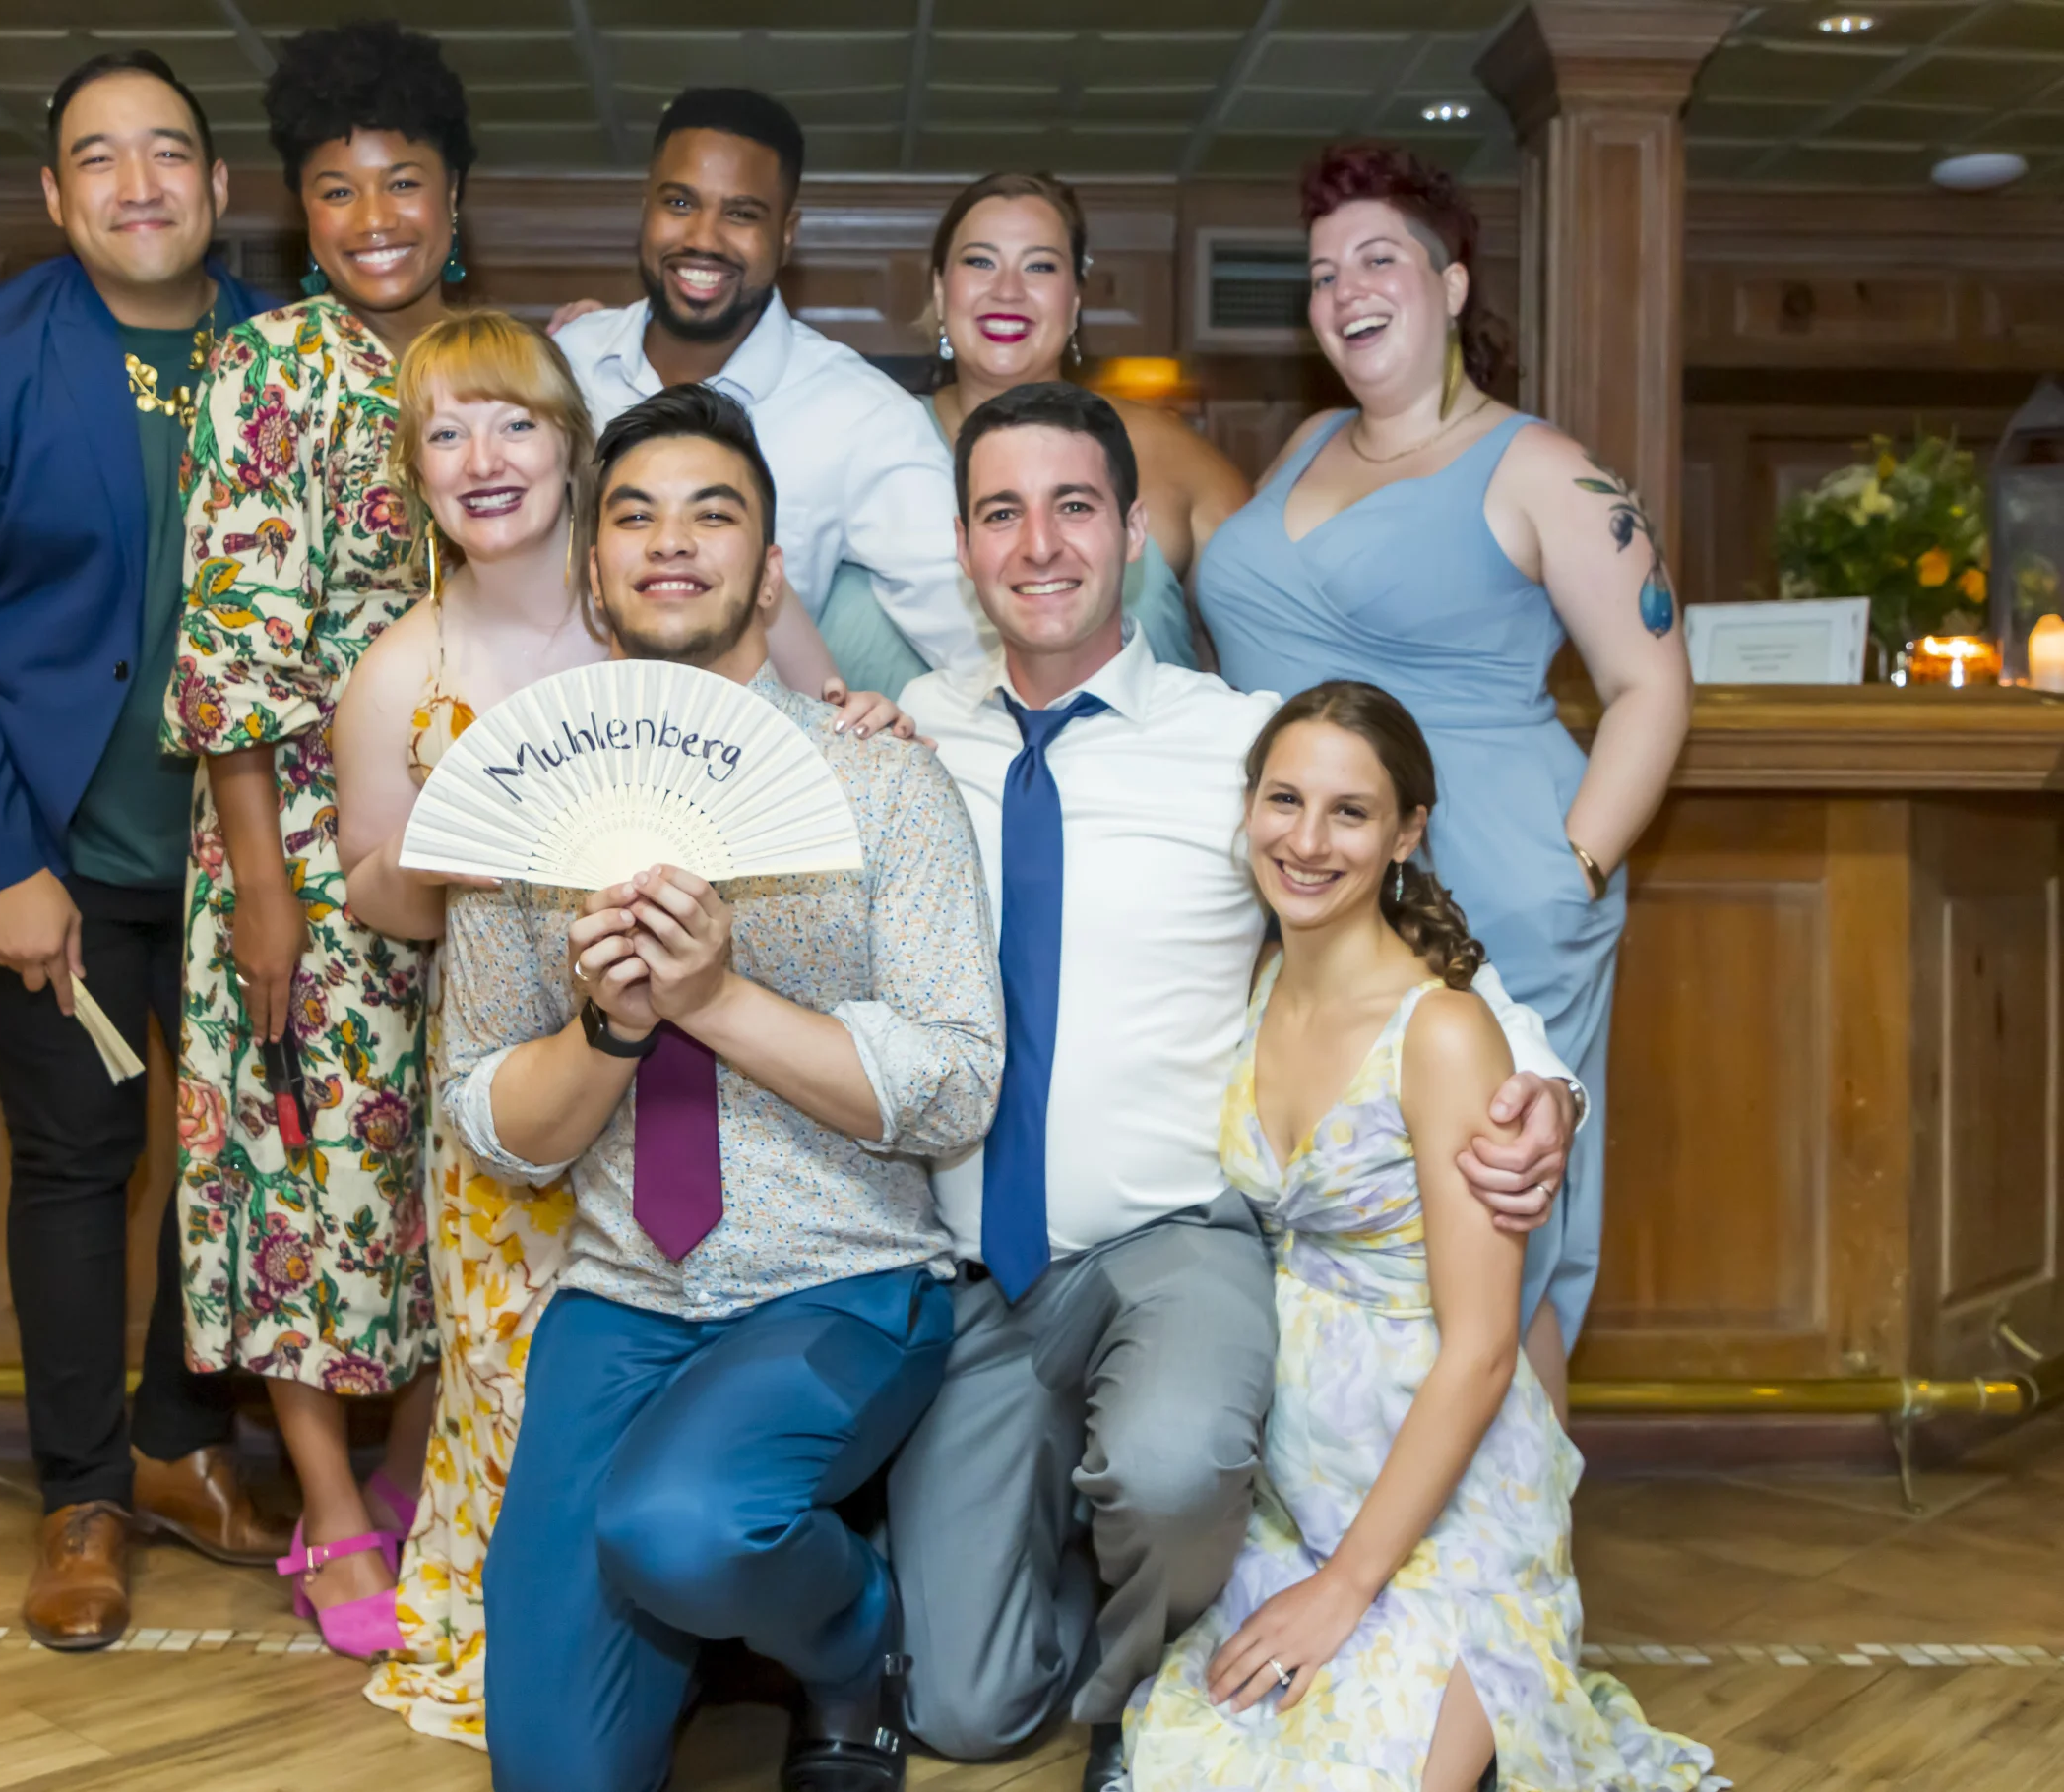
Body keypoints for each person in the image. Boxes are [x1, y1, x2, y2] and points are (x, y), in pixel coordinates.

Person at [888, 384, 1580, 1792]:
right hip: (967, 1260)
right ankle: (1084, 1633)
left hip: (1167, 1242)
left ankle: (1154, 1686)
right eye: (1002, 512)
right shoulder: (907, 735)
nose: (1040, 544)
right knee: (961, 1709)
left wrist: (1545, 1081)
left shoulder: (1238, 745)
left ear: (1133, 531)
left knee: (1176, 1461)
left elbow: (1410, 926)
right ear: (962, 545)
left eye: (1075, 505)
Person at [331, 310, 920, 1743]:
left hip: (758, 1130)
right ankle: (574, 1643)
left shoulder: (683, 600)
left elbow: (815, 737)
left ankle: (759, 1628)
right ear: (411, 470)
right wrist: (503, 872)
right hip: (529, 1059)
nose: (484, 457)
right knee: (523, 1407)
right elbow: (367, 881)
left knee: (695, 1448)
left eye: (516, 422)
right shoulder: (400, 668)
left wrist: (877, 730)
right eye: (446, 431)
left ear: (570, 455)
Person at [437, 385, 1002, 1792]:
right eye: (633, 514)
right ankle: (720, 1630)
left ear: (770, 569)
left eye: (715, 514)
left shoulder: (879, 782)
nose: (671, 541)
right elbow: (487, 1115)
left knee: (687, 1526)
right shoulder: (525, 797)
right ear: (593, 569)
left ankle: (852, 1637)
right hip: (622, 1294)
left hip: (844, 1281)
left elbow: (957, 1082)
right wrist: (612, 1033)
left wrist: (717, 1000)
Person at [0, 48, 286, 1653]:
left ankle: (181, 1443)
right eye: (98, 159)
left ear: (219, 187)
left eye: (169, 152)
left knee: (244, 1147)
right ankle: (81, 1493)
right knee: (78, 1163)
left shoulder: (285, 352)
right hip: (52, 842)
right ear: (56, 198)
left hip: (247, 851)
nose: (138, 183)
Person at [1123, 682, 1722, 1792]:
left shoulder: (1442, 1032)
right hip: (1296, 1488)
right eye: (1283, 800)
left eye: (1349, 813)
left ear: (1407, 832)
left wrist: (1349, 1584)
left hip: (1445, 1505)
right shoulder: (1254, 983)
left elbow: (1483, 1348)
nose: (1305, 841)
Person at [1195, 143, 1693, 1417]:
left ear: (1453, 281)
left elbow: (1652, 687)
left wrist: (1570, 865)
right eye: (1320, 272)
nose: (1346, 288)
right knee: (1344, 1219)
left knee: (1494, 1214)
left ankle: (1511, 1578)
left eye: (1379, 258)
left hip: (1500, 890)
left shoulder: (1541, 466)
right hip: (1316, 885)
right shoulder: (1307, 443)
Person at [160, 19, 471, 1661]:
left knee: (449, 1173)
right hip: (288, 847)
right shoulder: (265, 364)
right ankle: (330, 1508)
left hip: (473, 849)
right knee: (295, 1177)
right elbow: (234, 641)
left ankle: (418, 1467)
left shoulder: (491, 368)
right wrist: (266, 895)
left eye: (402, 183)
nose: (372, 219)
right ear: (297, 205)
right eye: (337, 190)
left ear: (453, 192)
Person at [551, 87, 989, 695]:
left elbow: (980, 648)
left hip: (752, 766)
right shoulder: (565, 364)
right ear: (644, 206)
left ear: (788, 233)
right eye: (680, 201)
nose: (703, 237)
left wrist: (889, 742)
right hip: (553, 750)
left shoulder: (863, 415)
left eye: (742, 213)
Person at [818, 169, 1253, 689]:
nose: (1007, 290)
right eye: (980, 261)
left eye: (1040, 266)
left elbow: (1263, 657)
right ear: (939, 290)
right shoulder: (854, 438)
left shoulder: (1178, 459)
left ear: (1074, 301)